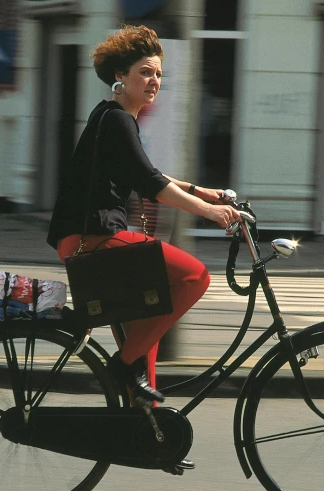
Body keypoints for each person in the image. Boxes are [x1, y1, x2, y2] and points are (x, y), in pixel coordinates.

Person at [47, 25, 240, 406]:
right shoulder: (117, 119)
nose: (154, 81)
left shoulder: (111, 116)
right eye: (145, 72)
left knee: (146, 323)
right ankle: (122, 364)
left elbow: (147, 173)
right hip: (97, 238)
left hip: (87, 237)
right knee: (195, 277)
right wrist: (210, 212)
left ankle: (146, 431)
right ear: (121, 75)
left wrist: (197, 190)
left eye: (158, 75)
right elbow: (151, 183)